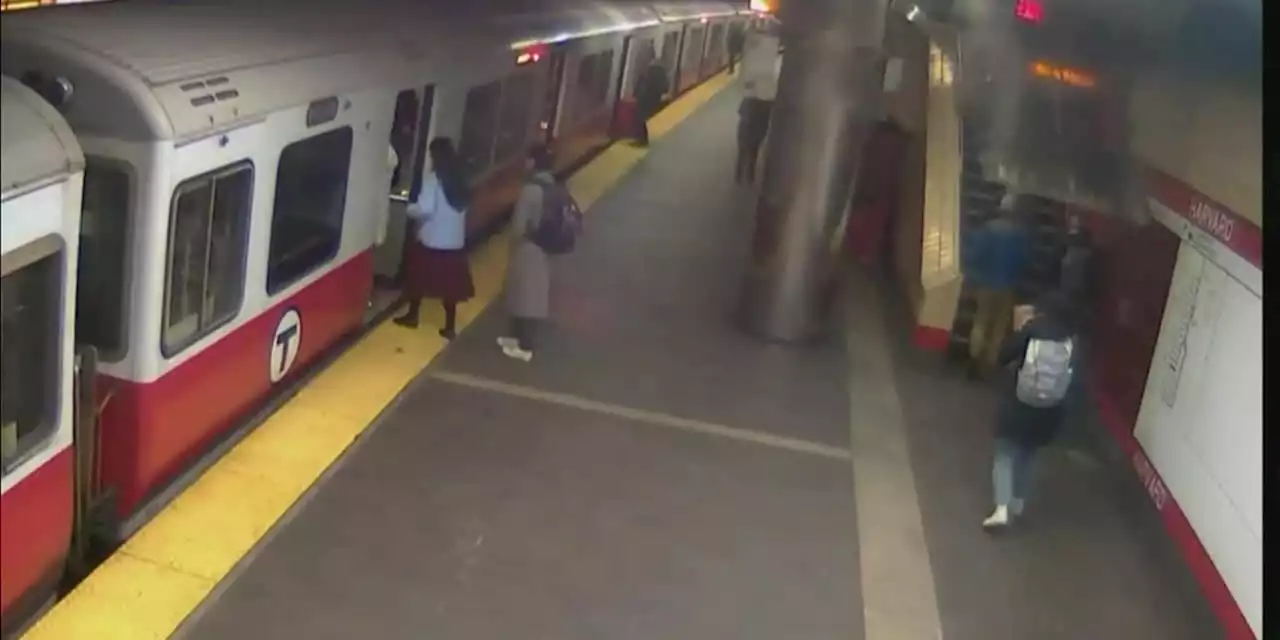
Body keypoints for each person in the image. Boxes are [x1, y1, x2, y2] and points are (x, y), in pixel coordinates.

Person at [983, 292, 1078, 530]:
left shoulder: (1032, 329)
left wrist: (1019, 331)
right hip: (1048, 411)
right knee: (1028, 456)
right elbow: (1077, 381)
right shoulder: (1072, 341)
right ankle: (1018, 505)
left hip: (1019, 402)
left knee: (1005, 454)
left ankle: (1001, 510)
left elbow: (1003, 355)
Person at [394, 137, 474, 339]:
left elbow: (425, 209)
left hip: (432, 240)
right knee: (451, 289)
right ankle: (449, 327)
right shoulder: (461, 179)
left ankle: (413, 316)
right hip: (454, 243)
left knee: (417, 280)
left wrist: (409, 208)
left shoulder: (434, 180)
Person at [498, 146, 559, 362]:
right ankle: (516, 338)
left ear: (533, 162)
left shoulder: (531, 189)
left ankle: (525, 346)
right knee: (528, 294)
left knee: (526, 296)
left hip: (528, 248)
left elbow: (518, 225)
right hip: (543, 247)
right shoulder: (552, 184)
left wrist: (513, 242)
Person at [965, 193, 1030, 377]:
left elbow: (975, 254)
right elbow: (1024, 260)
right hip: (1008, 286)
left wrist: (973, 275)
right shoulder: (1020, 235)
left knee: (981, 320)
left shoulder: (988, 229)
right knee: (999, 327)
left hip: (986, 283)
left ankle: (974, 358)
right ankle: (990, 363)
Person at [633, 54, 669, 147]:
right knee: (642, 119)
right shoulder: (659, 70)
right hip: (651, 98)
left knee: (640, 119)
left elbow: (642, 84)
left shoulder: (650, 71)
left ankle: (642, 141)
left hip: (647, 98)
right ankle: (642, 139)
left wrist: (636, 95)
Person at [734, 96, 772, 185]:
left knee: (742, 153)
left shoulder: (748, 100)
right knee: (753, 154)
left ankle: (739, 176)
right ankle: (750, 176)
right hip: (756, 133)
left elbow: (740, 112)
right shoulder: (767, 106)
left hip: (744, 131)